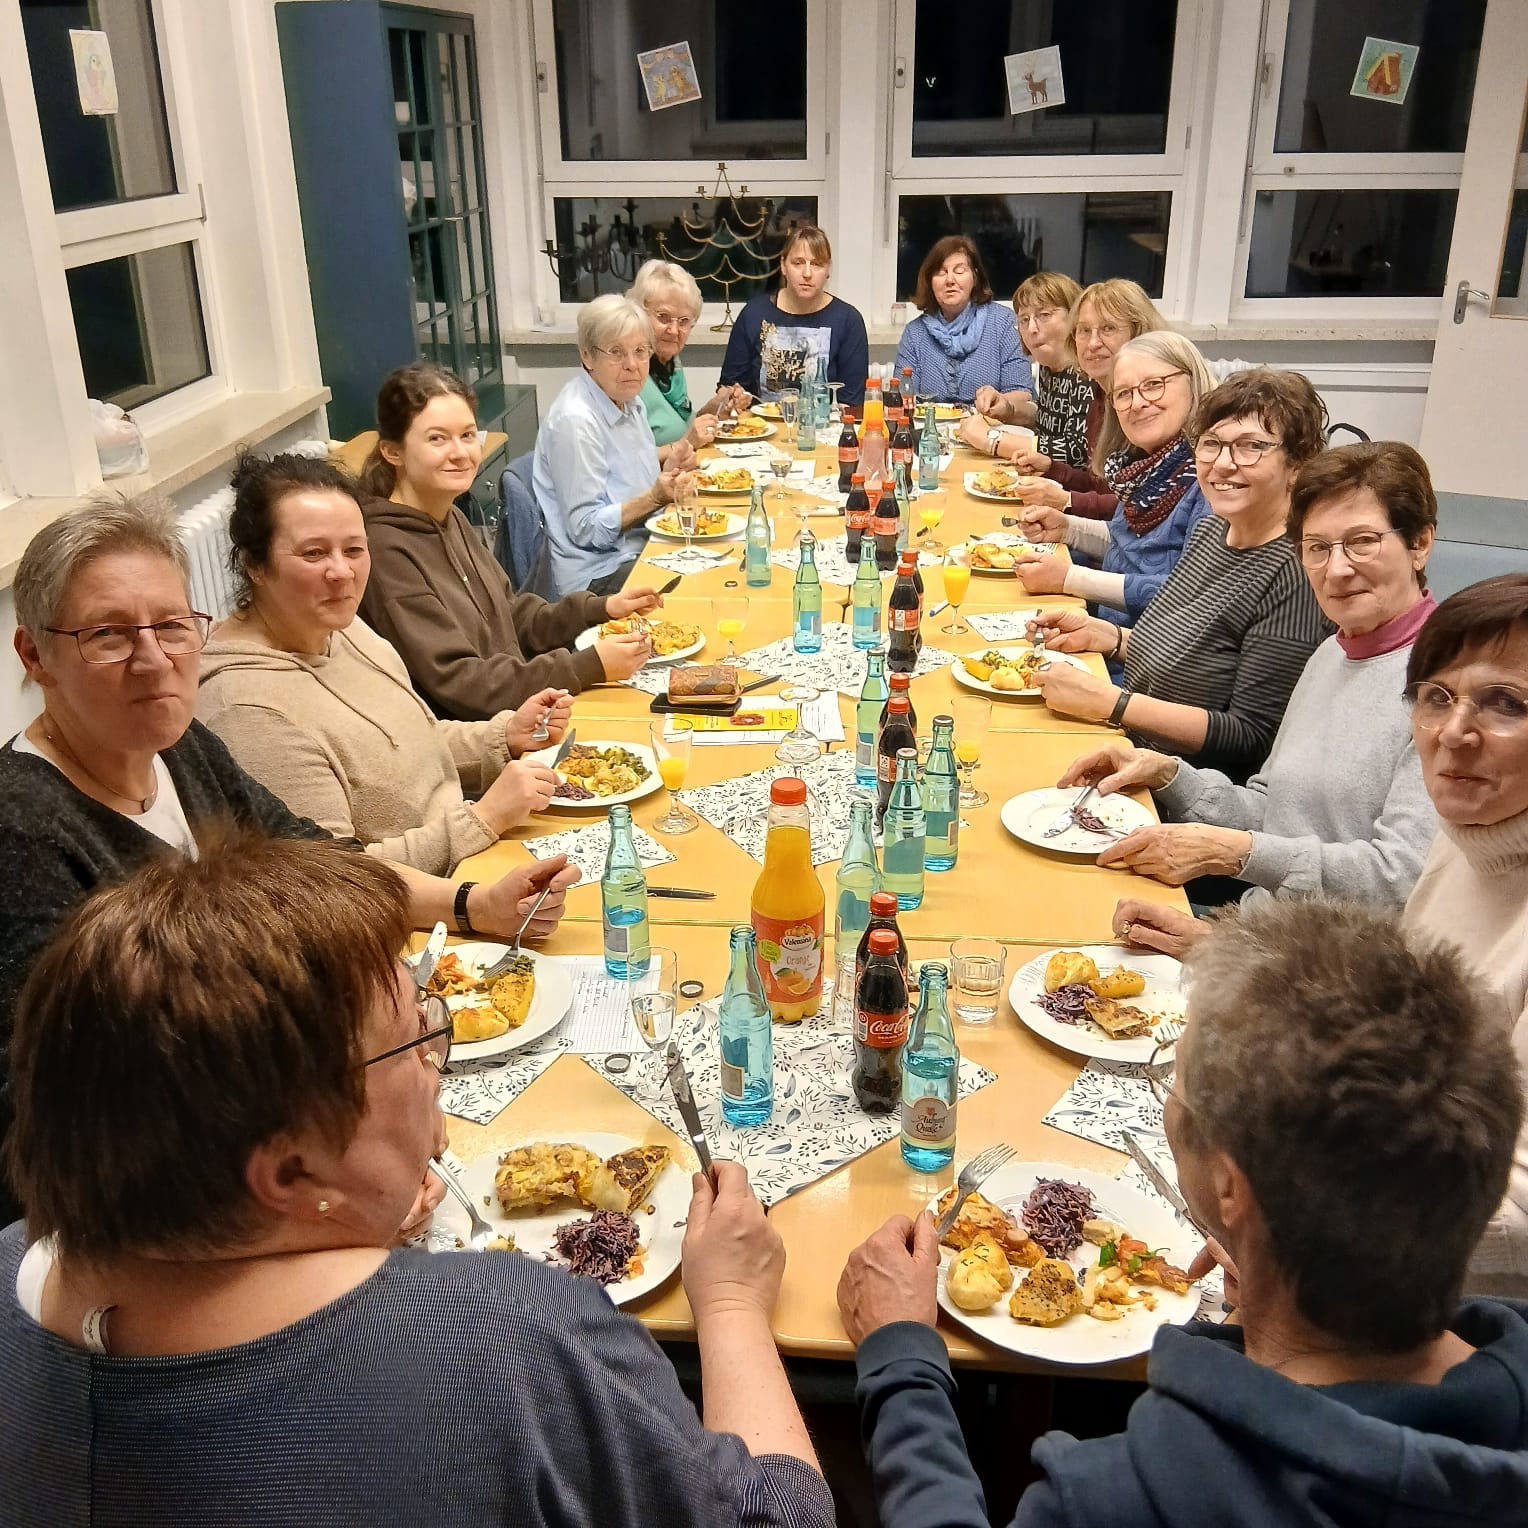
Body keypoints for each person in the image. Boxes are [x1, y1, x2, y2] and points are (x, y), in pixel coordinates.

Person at [0, 833, 835, 1528]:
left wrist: (349, 1224)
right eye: (414, 1037)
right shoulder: (508, 1341)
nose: (440, 1055)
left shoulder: (18, 1262)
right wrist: (732, 1305)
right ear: (290, 1170)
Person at [838, 898, 1528, 1527]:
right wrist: (1266, 1284)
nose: (1168, 1093)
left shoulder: (1116, 1499)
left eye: (1174, 1076)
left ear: (1231, 1190)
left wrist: (901, 1359)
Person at [0, 495, 580, 1226]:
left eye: (172, 626)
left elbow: (319, 863)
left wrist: (472, 905)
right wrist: (336, 1179)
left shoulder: (179, 747)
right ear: (35, 656)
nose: (153, 661)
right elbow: (84, 1111)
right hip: (165, 1207)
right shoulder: (22, 832)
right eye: (108, 635)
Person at [1069, 441, 1439, 913]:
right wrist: (1170, 775)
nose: (1337, 569)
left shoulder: (1448, 689)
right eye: (1317, 548)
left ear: (1419, 544)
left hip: (1329, 955)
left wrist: (1234, 853)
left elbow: (1401, 878)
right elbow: (1272, 808)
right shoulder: (1332, 652)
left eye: (1362, 542)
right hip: (1258, 930)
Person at [199, 452, 574, 876]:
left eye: (354, 550)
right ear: (255, 566)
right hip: (427, 900)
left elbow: (414, 745)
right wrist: (483, 817)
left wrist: (503, 736)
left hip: (472, 855)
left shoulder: (341, 628)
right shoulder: (246, 711)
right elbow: (337, 879)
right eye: (314, 553)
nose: (342, 572)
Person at [1030, 368, 1334, 780]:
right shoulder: (1214, 530)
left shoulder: (1294, 573)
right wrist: (1108, 637)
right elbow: (1194, 649)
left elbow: (1251, 736)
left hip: (1178, 786)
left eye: (1251, 447)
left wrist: (1112, 703)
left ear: (1297, 464)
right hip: (1125, 746)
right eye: (1211, 444)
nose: (1223, 464)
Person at [356, 362, 664, 717]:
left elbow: (511, 616)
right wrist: (587, 665)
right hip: (484, 735)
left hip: (522, 711)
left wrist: (600, 609)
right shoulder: (385, 551)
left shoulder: (449, 516)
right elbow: (462, 682)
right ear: (392, 451)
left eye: (467, 435)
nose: (460, 452)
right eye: (437, 438)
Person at [1400, 575, 1528, 1298]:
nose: (1454, 733)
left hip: (1461, 1307)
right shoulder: (1472, 829)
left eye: (1506, 703)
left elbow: (1519, 1206)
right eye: (1438, 696)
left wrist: (1308, 1229)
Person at [1008, 332, 1216, 625]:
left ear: (1193, 382)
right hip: (1110, 631)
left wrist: (1069, 578)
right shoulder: (1145, 466)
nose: (1137, 403)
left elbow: (1190, 592)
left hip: (1144, 646)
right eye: (1124, 393)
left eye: (1153, 385)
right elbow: (1133, 547)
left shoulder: (1213, 478)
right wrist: (1067, 529)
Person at [532, 295, 701, 598]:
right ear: (587, 357)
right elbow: (586, 530)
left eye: (640, 351)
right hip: (597, 576)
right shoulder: (576, 422)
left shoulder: (629, 401)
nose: (632, 365)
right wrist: (654, 498)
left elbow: (627, 480)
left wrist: (670, 469)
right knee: (699, 591)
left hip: (638, 546)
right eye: (616, 352)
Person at [960, 277, 1164, 519]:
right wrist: (1050, 467)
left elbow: (1078, 452)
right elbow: (1098, 480)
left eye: (1108, 328)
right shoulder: (1089, 386)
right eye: (1085, 331)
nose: (1093, 343)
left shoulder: (1105, 383)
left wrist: (993, 441)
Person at [719, 224, 869, 408]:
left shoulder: (848, 320)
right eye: (798, 263)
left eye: (817, 264)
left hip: (824, 424)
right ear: (783, 266)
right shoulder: (753, 314)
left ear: (828, 270)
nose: (807, 274)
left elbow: (852, 401)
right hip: (759, 423)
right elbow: (727, 387)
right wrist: (735, 397)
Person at [893, 235, 1032, 407]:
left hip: (989, 422)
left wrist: (997, 403)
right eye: (941, 272)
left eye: (959, 271)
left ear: (975, 277)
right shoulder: (915, 333)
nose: (950, 280)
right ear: (930, 282)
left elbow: (1022, 393)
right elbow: (902, 397)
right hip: (930, 423)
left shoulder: (1003, 323)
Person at [972, 271, 1090, 470]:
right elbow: (1048, 421)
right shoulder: (1049, 367)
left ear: (1074, 317)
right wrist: (1008, 410)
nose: (1032, 328)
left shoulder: (1086, 372)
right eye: (1024, 320)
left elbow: (1076, 451)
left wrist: (992, 439)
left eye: (1044, 315)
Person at [628, 258, 740, 450]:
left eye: (684, 321)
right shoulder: (629, 372)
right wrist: (686, 443)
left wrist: (713, 410)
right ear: (640, 313)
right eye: (663, 317)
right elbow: (630, 460)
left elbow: (680, 427)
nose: (674, 330)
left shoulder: (671, 365)